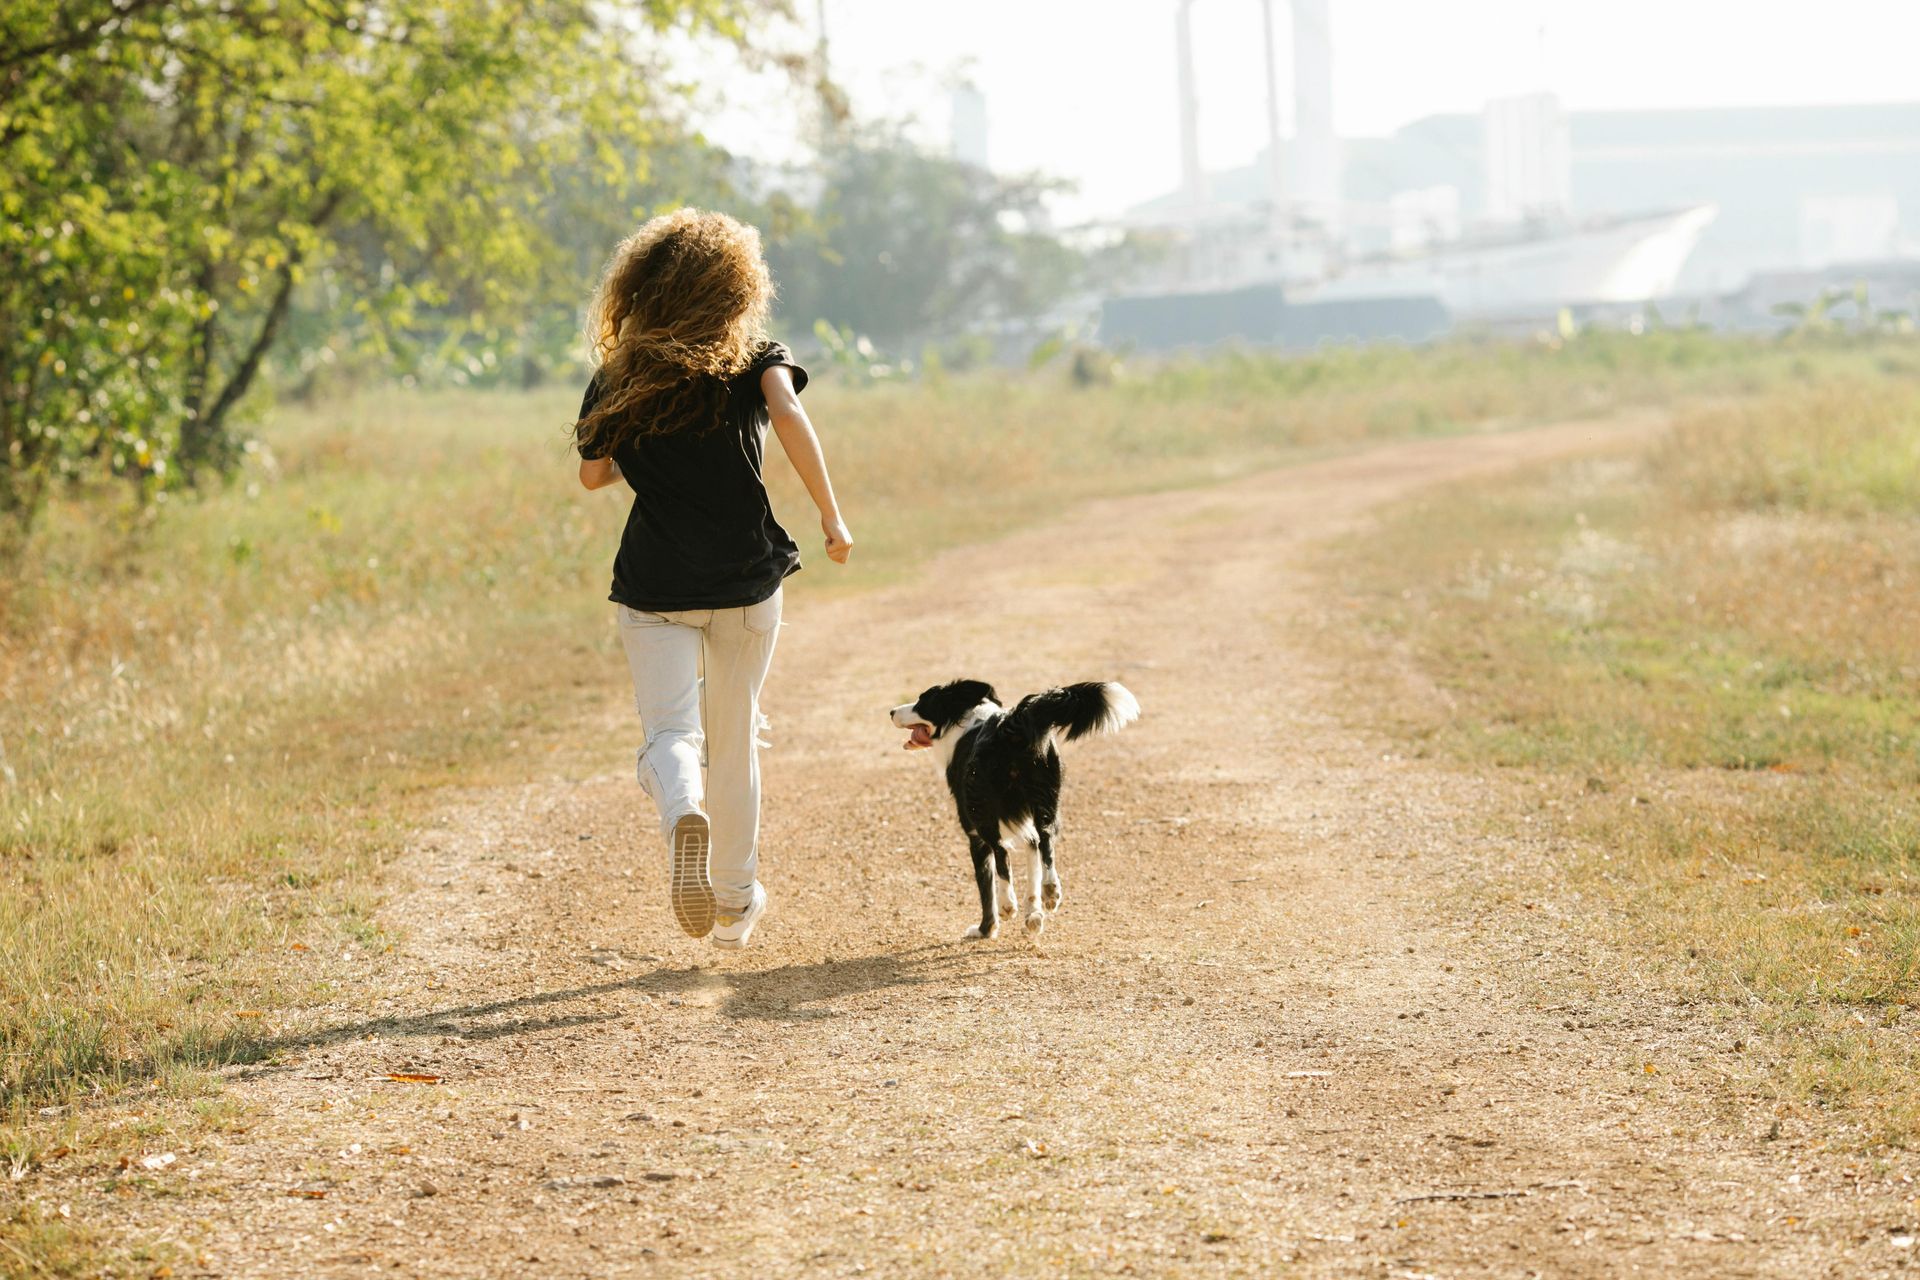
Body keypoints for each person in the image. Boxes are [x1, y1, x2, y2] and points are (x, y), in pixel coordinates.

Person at [573, 208, 851, 950]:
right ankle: (734, 897)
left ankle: (681, 811)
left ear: (642, 289)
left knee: (670, 732)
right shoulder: (755, 359)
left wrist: (642, 444)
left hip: (654, 583)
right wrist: (831, 516)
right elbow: (788, 412)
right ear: (737, 287)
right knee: (736, 738)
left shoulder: (619, 374)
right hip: (746, 582)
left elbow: (592, 474)